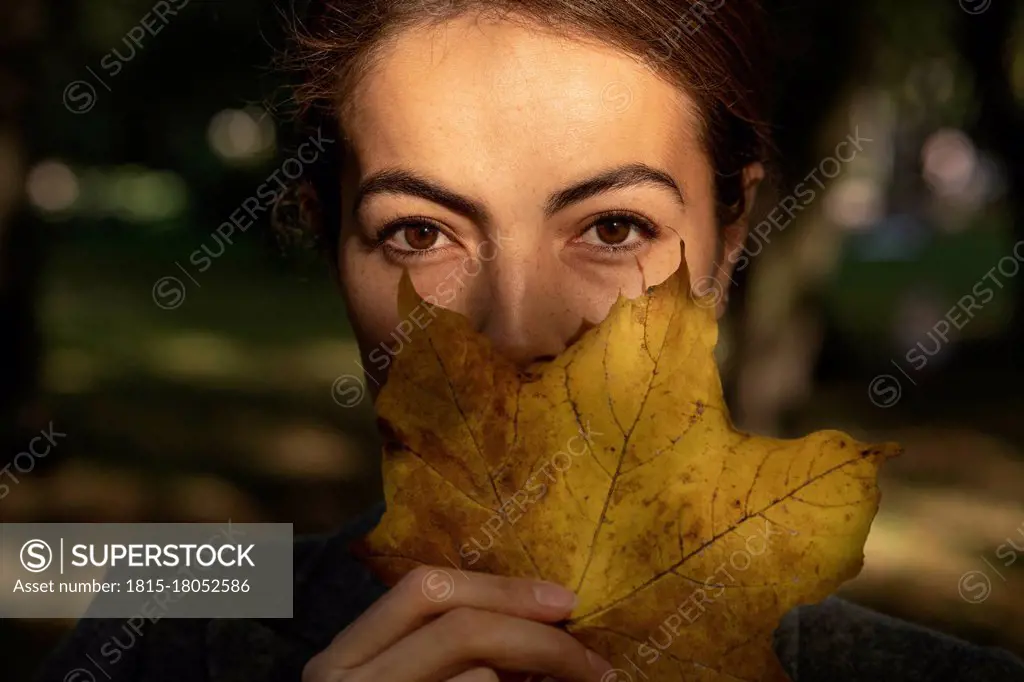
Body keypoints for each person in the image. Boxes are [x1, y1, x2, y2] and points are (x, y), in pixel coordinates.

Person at [36, 1, 1024, 681]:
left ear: (729, 238)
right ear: (326, 238)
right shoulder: (163, 621)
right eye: (419, 233)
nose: (515, 326)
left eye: (612, 228)